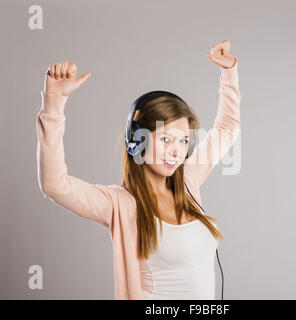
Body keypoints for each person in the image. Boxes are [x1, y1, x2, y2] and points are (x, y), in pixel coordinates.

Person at [36, 40, 241, 299]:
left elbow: (227, 128)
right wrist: (54, 104)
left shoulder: (188, 183)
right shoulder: (119, 204)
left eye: (183, 141)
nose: (177, 151)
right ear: (138, 142)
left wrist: (229, 70)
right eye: (166, 139)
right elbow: (55, 185)